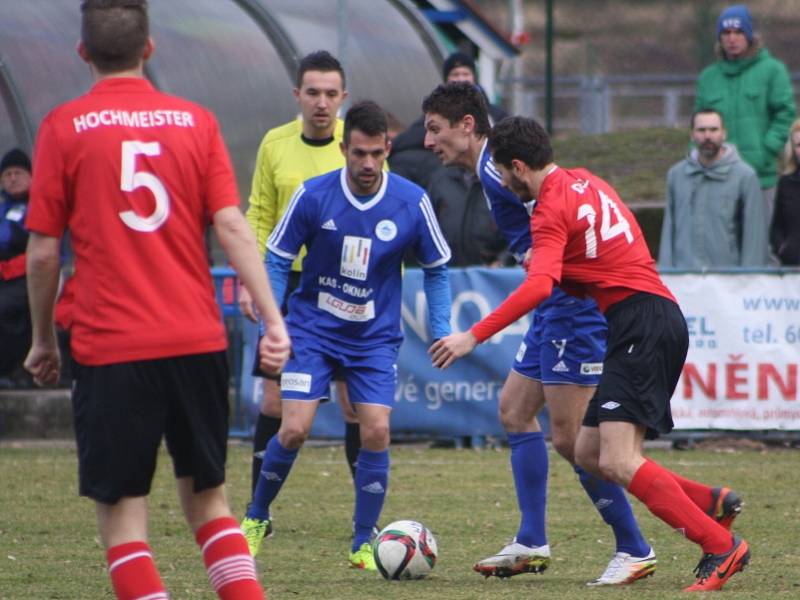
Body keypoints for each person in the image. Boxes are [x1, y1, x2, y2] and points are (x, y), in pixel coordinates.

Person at [23, 2, 290, 599]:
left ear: (83, 52)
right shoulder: (195, 122)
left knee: (123, 515)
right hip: (196, 340)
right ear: (150, 48)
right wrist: (274, 319)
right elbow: (232, 224)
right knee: (209, 503)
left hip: (111, 347)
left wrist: (43, 341)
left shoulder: (63, 127)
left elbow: (42, 255)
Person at [430, 116, 750, 592]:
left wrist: (473, 335)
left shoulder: (546, 208)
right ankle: (707, 502)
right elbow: (615, 252)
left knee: (619, 460)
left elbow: (540, 284)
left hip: (642, 324)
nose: (501, 182)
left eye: (502, 172)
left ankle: (720, 546)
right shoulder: (587, 180)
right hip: (642, 320)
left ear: (519, 167)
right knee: (585, 449)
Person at [423, 82, 657, 586]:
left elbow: (553, 243)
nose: (426, 141)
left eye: (434, 129)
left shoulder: (499, 169)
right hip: (554, 308)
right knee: (513, 409)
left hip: (571, 311)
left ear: (468, 126)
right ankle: (532, 539)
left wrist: (474, 336)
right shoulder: (492, 171)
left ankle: (634, 546)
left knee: (573, 441)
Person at [241, 101, 452, 570]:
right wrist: (273, 322)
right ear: (343, 149)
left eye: (377, 154)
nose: (368, 164)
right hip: (312, 331)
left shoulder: (410, 201)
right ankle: (256, 516)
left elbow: (437, 268)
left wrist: (442, 329)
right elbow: (276, 259)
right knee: (293, 429)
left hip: (373, 338)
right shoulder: (313, 196)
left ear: (389, 149)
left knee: (376, 429)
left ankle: (362, 540)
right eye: (359, 153)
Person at [239, 50, 363, 505]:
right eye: (313, 92)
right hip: (287, 287)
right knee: (275, 404)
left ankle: (364, 517)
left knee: (355, 407)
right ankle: (258, 511)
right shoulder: (275, 143)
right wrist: (257, 282)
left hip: (346, 285)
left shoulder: (359, 145)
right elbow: (259, 218)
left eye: (331, 94)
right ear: (298, 95)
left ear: (343, 97)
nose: (322, 102)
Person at [695, 4, 796, 223]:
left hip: (761, 178)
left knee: (762, 248)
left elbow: (785, 115)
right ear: (719, 38)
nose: (732, 38)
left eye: (739, 32)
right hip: (718, 178)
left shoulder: (772, 71)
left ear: (750, 36)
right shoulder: (708, 77)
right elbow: (697, 123)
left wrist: (766, 151)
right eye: (726, 33)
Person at [659, 108, 768, 268]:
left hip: (728, 279)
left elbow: (754, 237)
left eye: (713, 129)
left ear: (724, 133)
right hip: (684, 277)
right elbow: (669, 229)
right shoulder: (676, 175)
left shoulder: (745, 176)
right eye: (701, 130)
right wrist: (666, 274)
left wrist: (749, 278)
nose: (707, 136)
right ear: (692, 134)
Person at [0, 148, 32, 381]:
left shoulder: (40, 206)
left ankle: (8, 368)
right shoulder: (2, 210)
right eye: (7, 174)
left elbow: (47, 252)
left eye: (18, 173)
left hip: (31, 275)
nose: (12, 178)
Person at [770, 119, 800, 265]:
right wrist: (783, 248)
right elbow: (777, 227)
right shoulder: (785, 183)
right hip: (792, 271)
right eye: (799, 145)